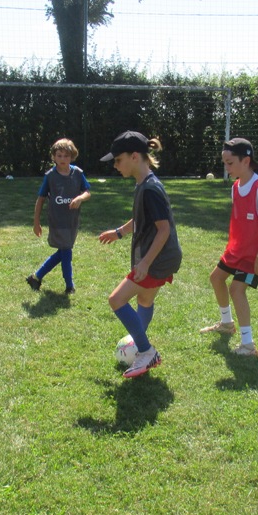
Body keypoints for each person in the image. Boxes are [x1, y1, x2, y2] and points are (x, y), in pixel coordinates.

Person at [98, 131, 182, 379]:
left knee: (116, 300)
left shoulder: (150, 189)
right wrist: (119, 232)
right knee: (144, 301)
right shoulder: (144, 184)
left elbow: (163, 230)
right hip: (164, 258)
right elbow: (142, 219)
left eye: (118, 160)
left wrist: (145, 263)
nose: (115, 166)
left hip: (157, 260)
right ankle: (139, 347)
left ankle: (146, 351)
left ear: (134, 156)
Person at [199, 138, 258, 356]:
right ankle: (227, 324)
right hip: (237, 250)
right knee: (216, 278)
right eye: (224, 163)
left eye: (230, 163)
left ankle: (248, 345)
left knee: (236, 289)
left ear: (246, 161)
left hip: (254, 255)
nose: (226, 168)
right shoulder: (236, 186)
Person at [27, 138, 91, 294]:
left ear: (72, 156)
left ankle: (36, 277)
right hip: (57, 220)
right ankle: (69, 286)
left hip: (72, 220)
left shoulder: (77, 173)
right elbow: (41, 199)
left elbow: (87, 192)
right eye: (59, 155)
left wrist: (80, 198)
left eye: (66, 156)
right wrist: (36, 222)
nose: (63, 159)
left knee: (63, 251)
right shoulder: (50, 176)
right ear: (54, 157)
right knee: (66, 251)